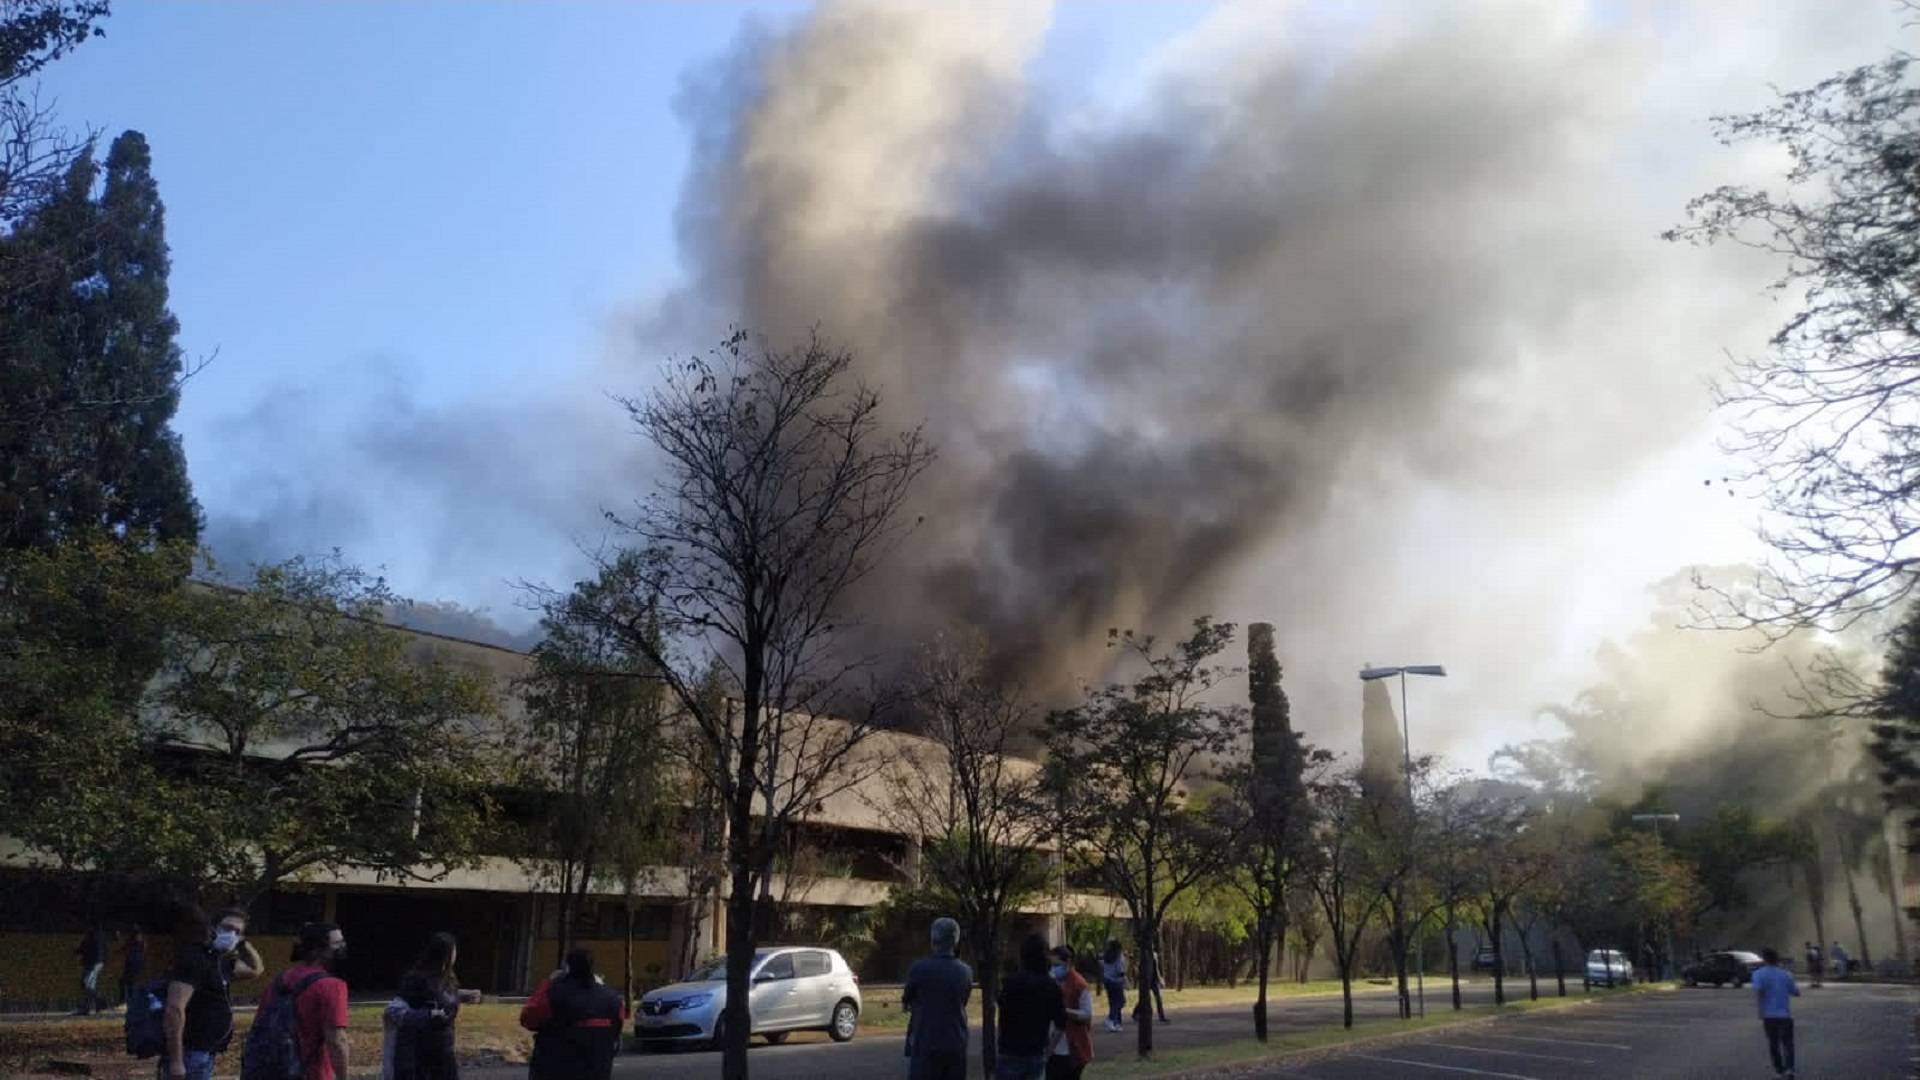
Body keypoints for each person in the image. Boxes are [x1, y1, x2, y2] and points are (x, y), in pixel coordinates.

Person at [159, 906, 262, 1080]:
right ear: (212, 928)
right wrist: (177, 1061)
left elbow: (256, 969)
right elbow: (174, 1009)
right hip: (189, 1052)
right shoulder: (195, 958)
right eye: (227, 928)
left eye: (237, 932)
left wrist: (244, 944)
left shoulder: (220, 961)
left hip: (206, 1051)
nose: (231, 934)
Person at [258, 923, 350, 1080]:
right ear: (318, 950)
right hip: (310, 1072)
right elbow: (336, 1040)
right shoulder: (332, 986)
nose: (343, 946)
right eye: (337, 943)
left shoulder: (280, 980)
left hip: (270, 1069)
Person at [385, 932, 482, 1080]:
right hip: (421, 1052)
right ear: (446, 953)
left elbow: (442, 996)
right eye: (454, 950)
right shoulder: (417, 979)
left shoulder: (447, 978)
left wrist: (463, 995)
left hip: (445, 1051)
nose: (456, 955)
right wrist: (428, 1015)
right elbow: (394, 1011)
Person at [519, 947, 625, 1080]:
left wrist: (548, 983)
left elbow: (528, 1018)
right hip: (598, 1070)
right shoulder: (613, 999)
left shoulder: (554, 993)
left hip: (555, 1069)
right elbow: (617, 1031)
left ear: (567, 967)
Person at [902, 917, 973, 1080]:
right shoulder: (966, 971)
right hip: (955, 1041)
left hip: (926, 1042)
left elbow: (907, 999)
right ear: (955, 941)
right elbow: (964, 1000)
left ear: (933, 940)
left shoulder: (919, 968)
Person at [995, 934, 1066, 1080]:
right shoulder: (1051, 986)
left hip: (1009, 1051)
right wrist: (1048, 1053)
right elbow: (1061, 1024)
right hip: (1036, 1053)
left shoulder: (1010, 983)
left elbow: (1002, 1013)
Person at [1046, 945, 1093, 1080]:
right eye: (1051, 965)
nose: (1053, 968)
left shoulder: (1079, 984)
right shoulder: (1051, 981)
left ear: (1068, 963)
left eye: (1057, 965)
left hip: (1072, 1044)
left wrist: (1064, 1011)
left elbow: (1086, 1014)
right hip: (1053, 1043)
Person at [1752, 947, 1799, 1078]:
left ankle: (1779, 1069)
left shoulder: (1758, 974)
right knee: (1788, 1043)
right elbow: (1795, 991)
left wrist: (1760, 1011)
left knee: (1773, 1043)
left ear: (1764, 959)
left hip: (1769, 1015)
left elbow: (1759, 993)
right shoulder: (1786, 974)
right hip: (1784, 1014)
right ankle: (1790, 1068)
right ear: (1777, 959)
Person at [75, 924, 107, 1014]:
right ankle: (89, 1006)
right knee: (88, 986)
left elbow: (85, 948)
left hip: (92, 964)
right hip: (94, 963)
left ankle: (98, 1001)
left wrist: (78, 952)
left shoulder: (92, 936)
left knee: (87, 985)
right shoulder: (98, 936)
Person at [1098, 941, 1126, 1033]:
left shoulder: (1106, 956)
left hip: (1107, 980)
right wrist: (1123, 978)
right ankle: (1110, 1019)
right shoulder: (1118, 956)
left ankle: (1115, 1023)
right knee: (1120, 1002)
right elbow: (1120, 970)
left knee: (1112, 1002)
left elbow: (1103, 966)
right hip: (1116, 981)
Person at [121, 928, 148, 1008]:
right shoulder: (138, 943)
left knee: (130, 983)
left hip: (134, 965)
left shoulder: (137, 944)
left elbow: (126, 949)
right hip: (132, 965)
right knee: (128, 983)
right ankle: (128, 1000)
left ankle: (129, 1001)